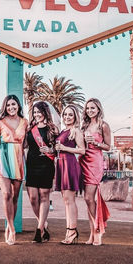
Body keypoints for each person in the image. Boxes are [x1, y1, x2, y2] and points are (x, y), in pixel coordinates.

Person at [0, 95, 28, 246]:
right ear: (5, 107)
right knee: (6, 194)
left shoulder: (24, 122)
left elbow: (26, 143)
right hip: (3, 158)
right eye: (8, 105)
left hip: (17, 160)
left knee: (15, 197)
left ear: (18, 106)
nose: (11, 107)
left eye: (14, 104)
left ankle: (9, 225)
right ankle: (11, 229)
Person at [79, 98, 111, 246]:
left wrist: (95, 143)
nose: (90, 111)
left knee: (89, 197)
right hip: (83, 160)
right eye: (88, 108)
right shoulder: (84, 125)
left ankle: (98, 232)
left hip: (95, 162)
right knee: (88, 200)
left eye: (93, 108)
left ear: (98, 109)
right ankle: (92, 233)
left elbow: (108, 146)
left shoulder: (103, 126)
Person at [26, 101, 59, 243]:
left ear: (45, 112)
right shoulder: (30, 129)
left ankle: (39, 230)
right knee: (33, 198)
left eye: (39, 112)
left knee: (44, 196)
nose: (37, 115)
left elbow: (58, 149)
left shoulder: (53, 129)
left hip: (46, 165)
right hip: (32, 165)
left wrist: (50, 150)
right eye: (35, 112)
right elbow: (24, 144)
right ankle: (44, 224)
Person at [55, 104, 85, 245]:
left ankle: (72, 231)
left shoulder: (76, 131)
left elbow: (82, 150)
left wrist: (64, 148)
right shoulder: (63, 131)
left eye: (70, 115)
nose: (67, 117)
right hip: (61, 164)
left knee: (70, 200)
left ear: (75, 117)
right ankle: (69, 230)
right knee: (66, 201)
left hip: (70, 165)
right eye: (65, 114)